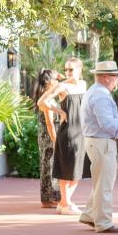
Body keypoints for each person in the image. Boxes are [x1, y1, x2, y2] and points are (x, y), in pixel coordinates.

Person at [78, 61, 118, 233]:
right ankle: (104, 222)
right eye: (115, 76)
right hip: (101, 142)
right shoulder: (100, 95)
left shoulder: (94, 91)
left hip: (96, 141)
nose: (117, 80)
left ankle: (90, 215)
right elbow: (107, 123)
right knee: (105, 183)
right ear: (106, 77)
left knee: (101, 182)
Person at [43, 57, 90, 215]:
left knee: (78, 170)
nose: (68, 72)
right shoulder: (62, 86)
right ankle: (66, 203)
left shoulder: (84, 85)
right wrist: (60, 111)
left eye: (71, 69)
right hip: (67, 132)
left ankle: (64, 202)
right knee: (66, 170)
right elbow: (42, 102)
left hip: (81, 132)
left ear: (79, 69)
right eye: (66, 69)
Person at [33, 68, 62, 208]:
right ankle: (49, 198)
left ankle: (48, 198)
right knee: (49, 166)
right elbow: (50, 123)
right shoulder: (46, 98)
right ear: (49, 81)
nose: (58, 81)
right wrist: (56, 140)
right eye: (55, 79)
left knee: (47, 165)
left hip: (47, 135)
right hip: (49, 136)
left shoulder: (46, 95)